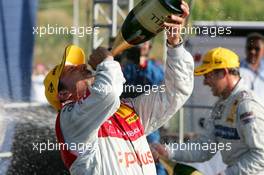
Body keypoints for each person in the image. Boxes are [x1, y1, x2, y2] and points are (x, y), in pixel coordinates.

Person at [43, 2, 193, 174]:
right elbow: (109, 93)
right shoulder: (69, 120)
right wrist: (106, 62)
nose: (82, 66)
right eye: (72, 69)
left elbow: (176, 92)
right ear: (63, 94)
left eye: (79, 65)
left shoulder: (126, 110)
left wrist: (175, 44)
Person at [151, 47, 264, 175]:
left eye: (208, 75)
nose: (205, 82)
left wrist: (229, 173)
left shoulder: (247, 105)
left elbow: (261, 155)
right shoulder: (221, 105)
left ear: (224, 72)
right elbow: (205, 147)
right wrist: (168, 151)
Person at [121, 42, 166, 175]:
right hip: (125, 120)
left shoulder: (155, 69)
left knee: (154, 156)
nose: (141, 46)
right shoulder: (126, 67)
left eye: (145, 43)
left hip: (148, 121)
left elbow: (161, 87)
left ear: (149, 47)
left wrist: (143, 66)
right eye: (139, 43)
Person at [240, 33, 264, 102]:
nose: (252, 51)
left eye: (257, 49)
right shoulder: (236, 69)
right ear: (245, 49)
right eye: (249, 48)